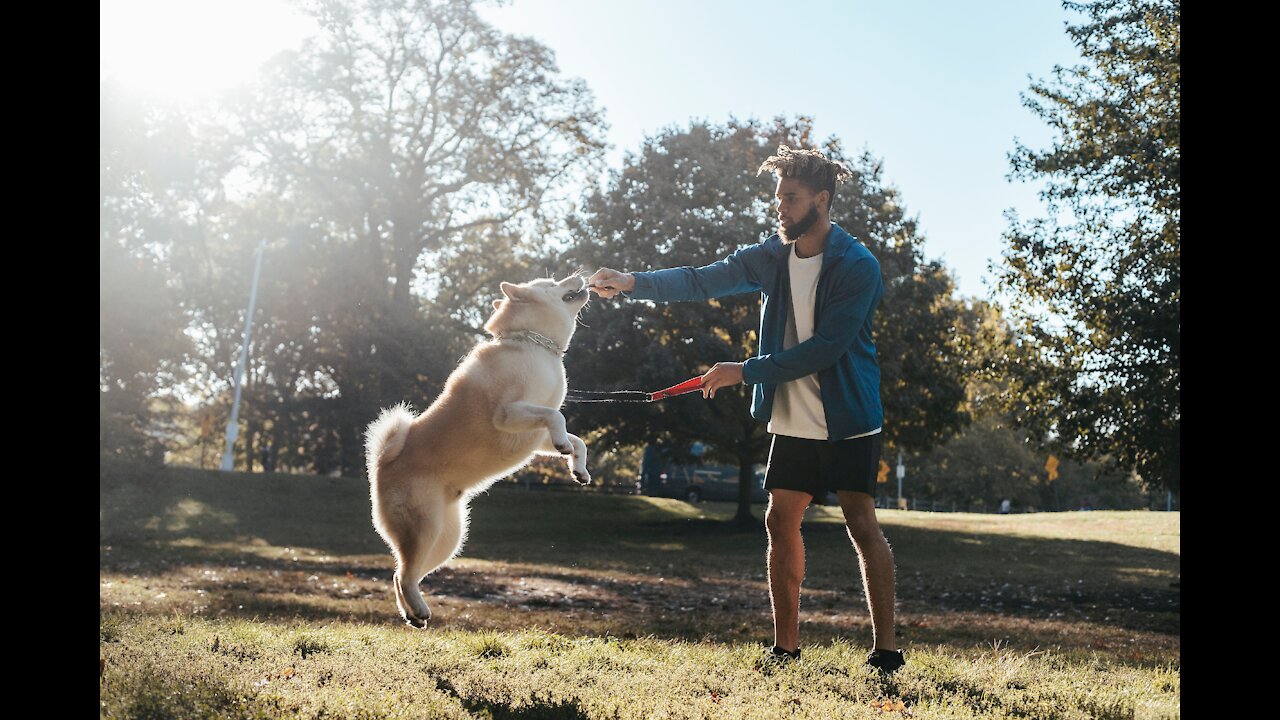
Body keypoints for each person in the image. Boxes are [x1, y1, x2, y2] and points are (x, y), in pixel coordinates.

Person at [588, 145, 904, 674]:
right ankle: (785, 648)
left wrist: (744, 369)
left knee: (861, 525)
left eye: (792, 198)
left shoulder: (858, 266)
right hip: (794, 421)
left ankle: (887, 650)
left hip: (849, 419)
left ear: (822, 200)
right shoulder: (771, 257)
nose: (781, 208)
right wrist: (632, 283)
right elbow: (700, 279)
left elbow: (827, 347)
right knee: (780, 521)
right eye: (778, 198)